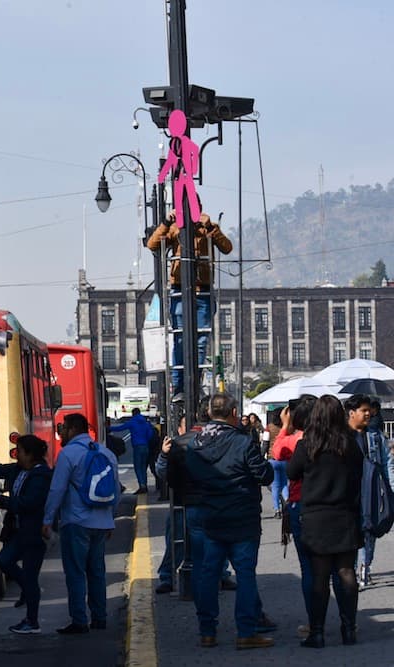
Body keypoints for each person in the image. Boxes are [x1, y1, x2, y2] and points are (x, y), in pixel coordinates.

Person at [180, 393, 274, 649]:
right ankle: (246, 631)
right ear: (234, 413)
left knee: (209, 574)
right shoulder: (243, 443)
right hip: (242, 517)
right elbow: (264, 476)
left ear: (210, 414)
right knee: (245, 575)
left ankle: (207, 631)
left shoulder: (196, 444)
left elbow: (190, 475)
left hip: (211, 516)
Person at [287, 395, 363, 648]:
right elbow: (359, 475)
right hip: (345, 514)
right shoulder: (350, 444)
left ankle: (317, 632)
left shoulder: (308, 445)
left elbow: (292, 473)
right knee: (346, 571)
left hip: (316, 516)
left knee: (319, 576)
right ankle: (349, 630)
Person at [42, 413, 120, 634]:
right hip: (101, 523)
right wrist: (110, 519)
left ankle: (79, 620)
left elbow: (57, 489)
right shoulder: (106, 453)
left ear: (74, 429)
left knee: (76, 572)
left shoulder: (68, 454)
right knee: (97, 571)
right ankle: (100, 617)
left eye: (64, 428)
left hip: (76, 522)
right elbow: (115, 490)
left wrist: (48, 519)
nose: (62, 433)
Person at [146, 207, 233, 402]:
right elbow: (152, 245)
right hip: (179, 289)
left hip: (202, 289)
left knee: (201, 340)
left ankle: (195, 383)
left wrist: (210, 226)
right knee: (179, 340)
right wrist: (167, 223)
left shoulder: (208, 227)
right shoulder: (173, 228)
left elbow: (227, 247)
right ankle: (179, 386)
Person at [154, 404, 237, 595]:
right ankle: (168, 576)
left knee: (195, 541)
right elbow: (163, 472)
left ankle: (218, 576)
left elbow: (168, 477)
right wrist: (163, 455)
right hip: (197, 501)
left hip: (187, 500)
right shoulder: (181, 445)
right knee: (184, 540)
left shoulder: (182, 443)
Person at [0, 434, 53, 634]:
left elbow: (31, 503)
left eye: (20, 451)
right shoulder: (19, 470)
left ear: (30, 454)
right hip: (19, 532)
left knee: (29, 575)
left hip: (33, 533)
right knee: (3, 560)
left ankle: (32, 620)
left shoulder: (41, 476)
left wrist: (6, 502)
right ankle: (28, 590)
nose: (17, 455)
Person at [348, 395, 386, 590]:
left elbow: (386, 464)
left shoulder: (375, 435)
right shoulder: (343, 436)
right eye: (364, 410)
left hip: (370, 489)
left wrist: (388, 489)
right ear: (351, 413)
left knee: (370, 530)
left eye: (369, 410)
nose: (368, 414)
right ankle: (352, 569)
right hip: (349, 491)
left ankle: (365, 567)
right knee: (353, 529)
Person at [109, 408, 155, 494]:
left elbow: (120, 428)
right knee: (143, 467)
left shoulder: (132, 422)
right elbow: (150, 434)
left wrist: (108, 428)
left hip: (137, 446)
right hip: (145, 446)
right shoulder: (145, 422)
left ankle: (142, 486)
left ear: (133, 414)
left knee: (138, 467)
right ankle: (144, 484)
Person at [267, 410, 288, 519]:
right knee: (284, 483)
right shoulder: (287, 427)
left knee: (275, 486)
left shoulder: (268, 427)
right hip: (285, 459)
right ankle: (288, 503)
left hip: (272, 458)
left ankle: (277, 509)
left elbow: (265, 443)